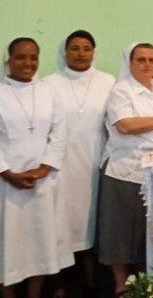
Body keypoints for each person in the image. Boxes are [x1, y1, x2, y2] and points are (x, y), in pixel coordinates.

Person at [98, 43, 153, 296]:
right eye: (141, 60)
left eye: (151, 60)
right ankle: (120, 284)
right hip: (125, 168)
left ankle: (147, 278)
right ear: (130, 63)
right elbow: (125, 125)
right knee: (119, 228)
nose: (147, 64)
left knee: (145, 230)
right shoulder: (121, 91)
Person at [42, 30, 115, 292]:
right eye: (75, 48)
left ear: (94, 51)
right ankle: (59, 281)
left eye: (86, 48)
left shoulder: (109, 81)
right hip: (62, 164)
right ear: (65, 52)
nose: (81, 53)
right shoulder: (48, 83)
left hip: (96, 160)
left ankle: (95, 276)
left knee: (93, 219)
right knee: (62, 220)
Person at [0, 37, 74, 297]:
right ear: (8, 60)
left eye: (33, 57)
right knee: (8, 242)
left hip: (43, 180)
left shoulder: (48, 92)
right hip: (6, 183)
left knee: (41, 241)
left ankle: (35, 293)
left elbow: (59, 131)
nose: (28, 63)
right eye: (21, 57)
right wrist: (7, 172)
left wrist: (45, 167)